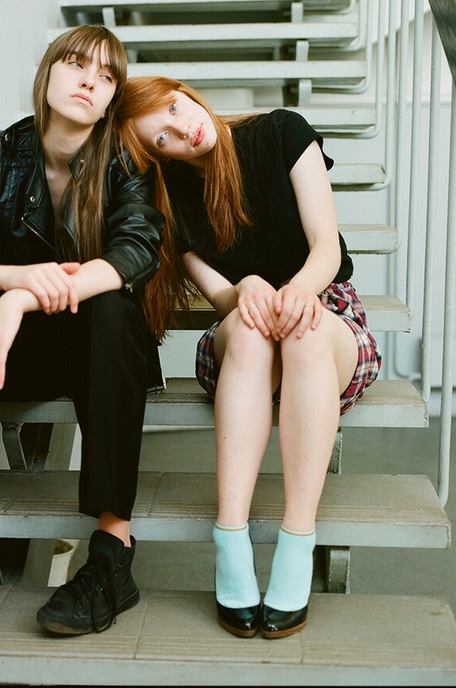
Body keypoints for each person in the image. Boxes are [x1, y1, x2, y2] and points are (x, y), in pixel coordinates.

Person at [0, 25, 165, 635]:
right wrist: (15, 282)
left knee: (115, 308)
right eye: (76, 64)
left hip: (98, 347)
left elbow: (137, 252)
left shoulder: (125, 159)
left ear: (112, 96)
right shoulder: (4, 151)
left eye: (107, 74)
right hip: (23, 351)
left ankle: (112, 553)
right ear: (48, 75)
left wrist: (14, 301)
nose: (90, 80)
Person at [116, 76, 382, 639]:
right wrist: (250, 289)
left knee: (304, 334)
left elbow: (327, 249)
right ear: (155, 157)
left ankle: (297, 540)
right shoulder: (171, 203)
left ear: (183, 91)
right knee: (256, 331)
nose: (182, 130)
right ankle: (230, 536)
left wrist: (296, 293)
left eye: (173, 107)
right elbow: (220, 294)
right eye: (162, 139)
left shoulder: (283, 133)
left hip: (322, 312)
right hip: (246, 338)